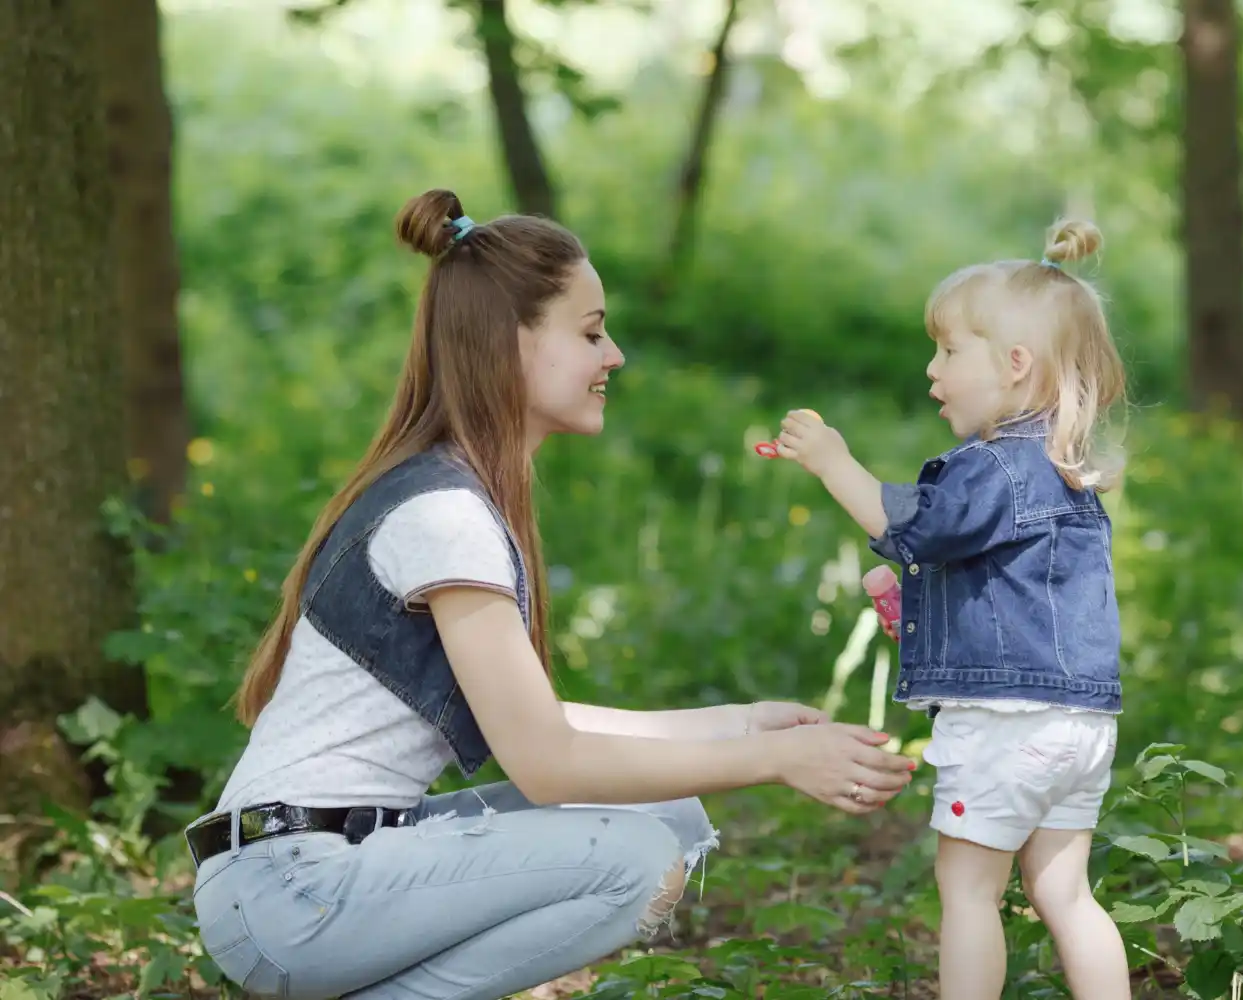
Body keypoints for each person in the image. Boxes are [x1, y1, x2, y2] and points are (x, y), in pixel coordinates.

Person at [185, 188, 917, 1000]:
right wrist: (774, 760)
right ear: (510, 341)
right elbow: (547, 765)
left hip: (319, 871)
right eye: (592, 332)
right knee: (633, 859)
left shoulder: (455, 495)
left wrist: (744, 724)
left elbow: (541, 725)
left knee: (671, 818)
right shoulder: (444, 515)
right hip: (290, 890)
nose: (616, 356)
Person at [771, 220, 1130, 1000]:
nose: (931, 369)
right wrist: (915, 608)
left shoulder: (995, 468)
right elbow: (1013, 606)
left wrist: (835, 463)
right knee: (1065, 895)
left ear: (1014, 365)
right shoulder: (1067, 475)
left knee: (967, 890)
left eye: (948, 350)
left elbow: (913, 525)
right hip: (1080, 726)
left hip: (1008, 728)